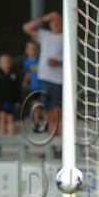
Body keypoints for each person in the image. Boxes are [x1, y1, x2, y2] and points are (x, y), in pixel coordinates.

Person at [22, 11, 63, 141]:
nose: (56, 24)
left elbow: (76, 60)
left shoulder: (67, 37)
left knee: (58, 115)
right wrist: (44, 18)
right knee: (48, 115)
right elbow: (26, 27)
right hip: (45, 80)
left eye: (58, 21)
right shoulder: (46, 35)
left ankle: (61, 148)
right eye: (53, 21)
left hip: (59, 81)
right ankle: (53, 147)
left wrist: (59, 63)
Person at [0, 54, 21, 135]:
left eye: (8, 62)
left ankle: (11, 134)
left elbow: (17, 89)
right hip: (1, 100)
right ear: (0, 64)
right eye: (4, 62)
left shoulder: (14, 74)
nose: (6, 63)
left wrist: (18, 100)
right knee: (2, 117)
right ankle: (2, 134)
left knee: (11, 118)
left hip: (11, 99)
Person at [22, 40, 44, 133]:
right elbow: (28, 73)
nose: (33, 51)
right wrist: (25, 81)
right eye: (31, 49)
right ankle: (36, 123)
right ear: (27, 51)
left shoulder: (41, 59)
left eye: (34, 49)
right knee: (36, 105)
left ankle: (47, 122)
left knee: (45, 105)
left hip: (43, 85)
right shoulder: (27, 62)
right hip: (34, 86)